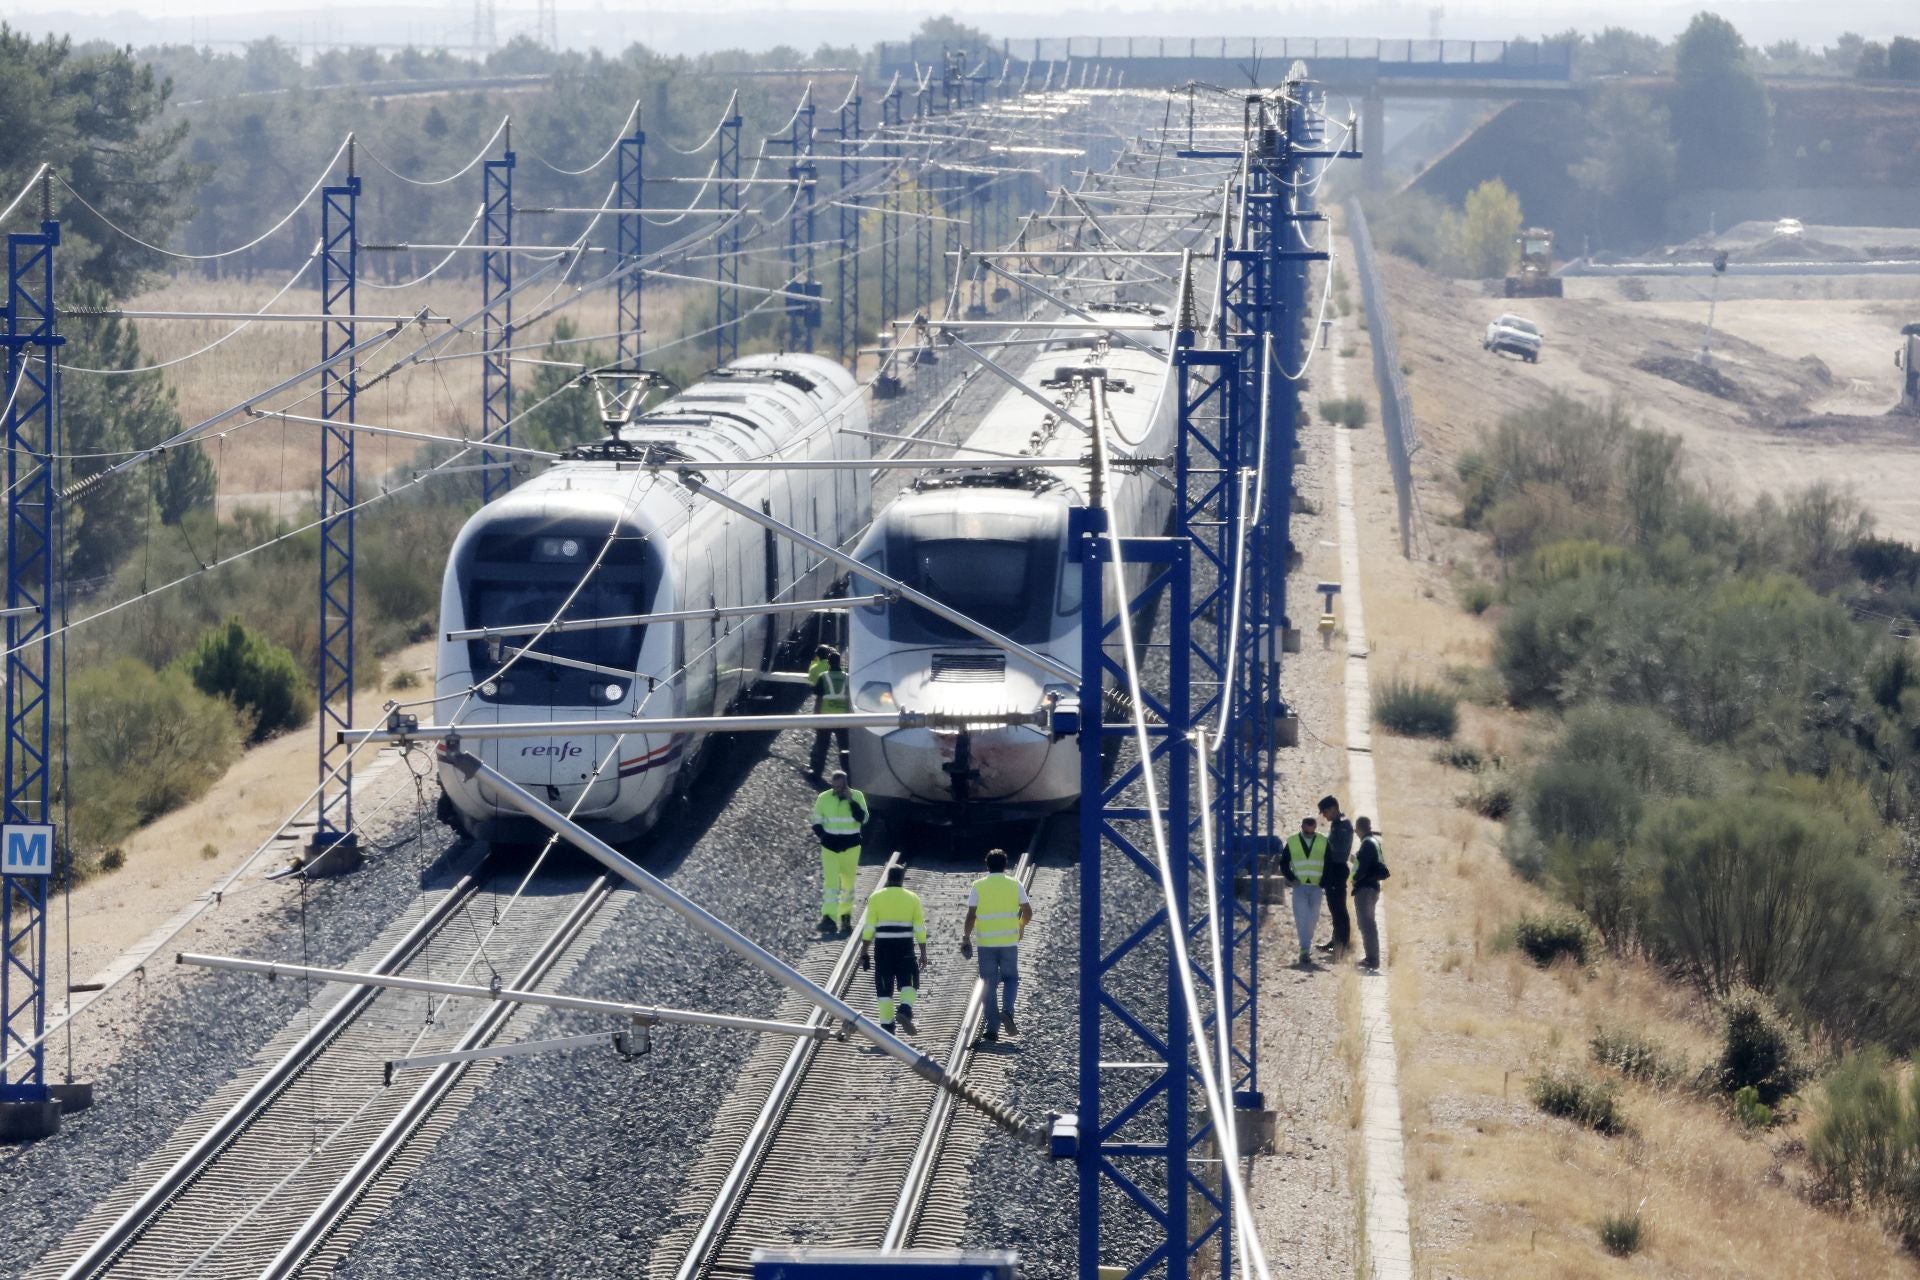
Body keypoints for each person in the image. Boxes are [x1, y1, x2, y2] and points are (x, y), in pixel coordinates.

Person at [960, 849, 1032, 1042]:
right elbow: (1027, 911)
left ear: (987, 865)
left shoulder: (979, 886)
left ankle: (992, 1029)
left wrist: (966, 937)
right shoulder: (1015, 884)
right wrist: (1021, 927)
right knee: (1011, 979)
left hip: (986, 943)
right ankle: (1008, 1010)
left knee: (988, 984)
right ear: (1005, 865)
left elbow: (971, 915)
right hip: (1009, 941)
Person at [859, 863, 929, 1035]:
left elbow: (869, 928)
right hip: (905, 947)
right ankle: (904, 1010)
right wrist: (923, 953)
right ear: (902, 879)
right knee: (910, 982)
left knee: (884, 988)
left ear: (888, 878)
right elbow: (920, 928)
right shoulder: (912, 898)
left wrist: (864, 951)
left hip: (883, 949)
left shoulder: (875, 897)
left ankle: (887, 1029)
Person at [810, 770, 867, 934]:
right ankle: (829, 918)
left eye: (840, 786)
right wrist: (824, 837)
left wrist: (851, 802)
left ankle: (846, 917)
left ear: (846, 784)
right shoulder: (824, 798)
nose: (836, 789)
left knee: (848, 883)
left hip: (851, 846)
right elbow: (816, 820)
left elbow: (862, 818)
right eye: (834, 786)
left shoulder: (857, 797)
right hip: (830, 847)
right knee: (831, 883)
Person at [1280, 816, 1329, 968]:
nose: (1310, 833)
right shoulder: (1293, 841)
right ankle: (1304, 950)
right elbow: (1283, 863)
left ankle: (1306, 944)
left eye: (1312, 831)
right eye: (1307, 831)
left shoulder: (1322, 841)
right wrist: (1291, 878)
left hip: (1316, 886)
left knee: (1313, 918)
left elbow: (1329, 863)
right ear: (1302, 827)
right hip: (1299, 886)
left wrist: (1324, 881)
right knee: (1301, 918)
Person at [1351, 816, 1391, 971]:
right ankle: (1371, 958)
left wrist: (1355, 879)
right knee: (1369, 924)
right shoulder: (1373, 842)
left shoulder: (1367, 844)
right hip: (1372, 888)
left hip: (1365, 889)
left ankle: (1372, 959)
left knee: (1366, 924)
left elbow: (1364, 867)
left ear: (1359, 829)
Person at [1316, 794, 1354, 957]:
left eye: (1325, 812)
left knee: (1339, 909)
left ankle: (1342, 944)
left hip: (1337, 869)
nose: (1324, 816)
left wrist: (1324, 846)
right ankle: (1336, 941)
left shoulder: (1343, 825)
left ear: (1333, 809)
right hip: (1332, 869)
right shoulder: (1337, 824)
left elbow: (1338, 850)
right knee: (1334, 908)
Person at [810, 651, 852, 778]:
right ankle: (848, 774)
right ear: (840, 662)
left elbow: (819, 699)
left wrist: (815, 717)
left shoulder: (823, 677)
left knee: (822, 747)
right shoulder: (847, 677)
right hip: (843, 719)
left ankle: (817, 773)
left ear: (828, 662)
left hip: (826, 718)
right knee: (844, 749)